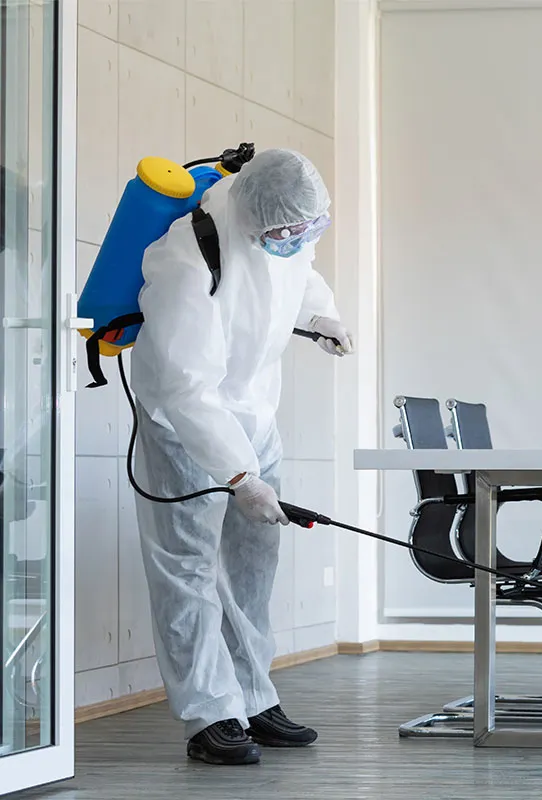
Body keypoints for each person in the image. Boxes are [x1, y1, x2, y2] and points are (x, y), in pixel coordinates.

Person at [129, 149, 354, 765]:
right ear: (256, 220)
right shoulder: (187, 254)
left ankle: (255, 695)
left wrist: (322, 315)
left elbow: (300, 271)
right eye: (288, 231)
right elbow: (186, 388)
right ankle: (209, 713)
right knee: (189, 569)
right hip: (184, 426)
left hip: (256, 414)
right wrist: (237, 476)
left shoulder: (287, 227)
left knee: (254, 566)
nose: (299, 239)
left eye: (309, 228)